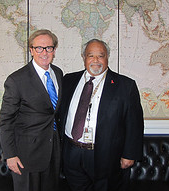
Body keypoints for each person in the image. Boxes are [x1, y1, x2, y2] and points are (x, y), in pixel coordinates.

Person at [59, 39, 144, 191]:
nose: (96, 60)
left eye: (101, 55)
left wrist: (129, 154)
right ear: (83, 57)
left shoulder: (125, 85)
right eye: (91, 55)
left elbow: (134, 123)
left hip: (105, 154)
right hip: (71, 151)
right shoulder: (68, 80)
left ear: (107, 57)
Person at [0, 29, 63, 191]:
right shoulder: (16, 80)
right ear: (31, 50)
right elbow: (6, 121)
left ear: (54, 50)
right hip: (26, 155)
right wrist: (10, 155)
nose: (44, 52)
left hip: (53, 151)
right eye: (39, 48)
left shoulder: (58, 73)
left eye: (48, 47)